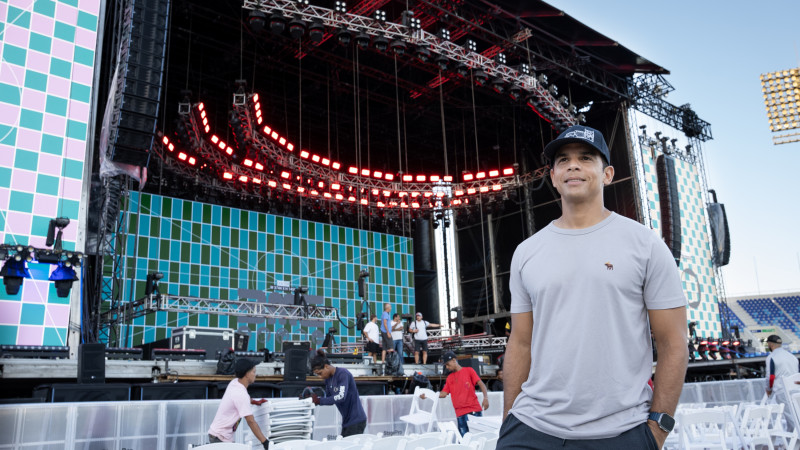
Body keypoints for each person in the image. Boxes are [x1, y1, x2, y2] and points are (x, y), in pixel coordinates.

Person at [499, 125, 688, 450]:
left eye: (586, 158)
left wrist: (657, 430)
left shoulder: (644, 245)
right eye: (563, 160)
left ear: (608, 174)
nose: (573, 165)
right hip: (530, 430)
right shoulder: (526, 252)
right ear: (554, 176)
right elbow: (520, 342)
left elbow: (674, 343)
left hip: (622, 434)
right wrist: (508, 422)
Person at [420, 351, 489, 436]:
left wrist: (486, 398)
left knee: (478, 437)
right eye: (446, 365)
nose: (447, 367)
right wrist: (427, 395)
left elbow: (481, 384)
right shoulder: (449, 378)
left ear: (453, 360)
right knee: (464, 440)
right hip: (460, 413)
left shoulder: (469, 371)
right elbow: (443, 393)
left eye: (447, 364)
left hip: (474, 410)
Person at [208, 359, 270, 448]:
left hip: (219, 435)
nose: (255, 375)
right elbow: (251, 421)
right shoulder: (240, 394)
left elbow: (243, 398)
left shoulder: (235, 383)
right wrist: (265, 442)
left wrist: (255, 402)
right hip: (220, 437)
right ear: (247, 374)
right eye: (253, 372)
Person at [308, 350, 368, 436]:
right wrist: (313, 397)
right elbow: (328, 398)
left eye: (320, 373)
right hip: (347, 422)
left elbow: (340, 396)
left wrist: (319, 400)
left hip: (356, 420)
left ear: (326, 367)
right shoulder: (328, 379)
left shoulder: (342, 374)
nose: (320, 377)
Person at [765, 334, 800, 430]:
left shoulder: (771, 357)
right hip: (796, 390)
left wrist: (769, 389)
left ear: (770, 344)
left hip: (782, 390)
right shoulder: (792, 356)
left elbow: (770, 377)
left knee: (792, 419)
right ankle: (791, 442)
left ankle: (795, 441)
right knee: (796, 415)